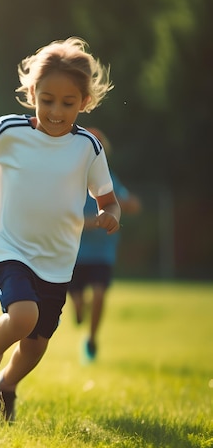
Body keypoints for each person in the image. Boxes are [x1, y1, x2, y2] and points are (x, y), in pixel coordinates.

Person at [0, 37, 120, 424]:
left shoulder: (88, 147)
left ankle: (6, 384)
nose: (55, 111)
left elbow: (107, 198)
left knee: (36, 345)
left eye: (67, 103)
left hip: (57, 261)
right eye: (47, 99)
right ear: (32, 92)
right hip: (8, 246)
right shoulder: (9, 131)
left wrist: (110, 214)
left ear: (84, 102)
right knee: (23, 316)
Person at [68, 127, 141, 363]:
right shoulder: (70, 179)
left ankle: (91, 339)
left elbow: (130, 203)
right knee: (78, 307)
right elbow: (65, 219)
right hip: (74, 253)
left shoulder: (109, 179)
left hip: (102, 253)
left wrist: (123, 206)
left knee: (100, 294)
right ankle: (79, 307)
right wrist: (90, 223)